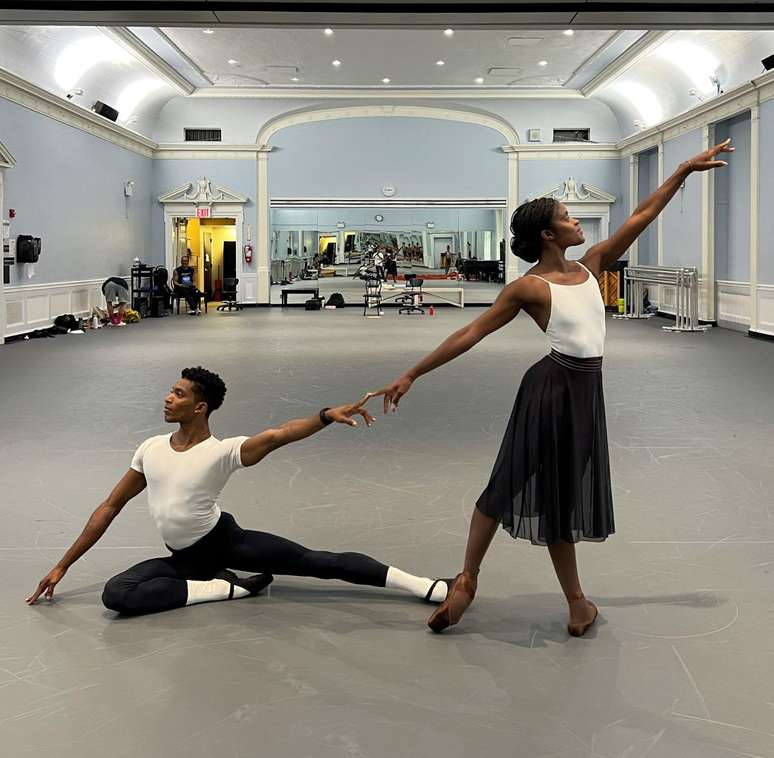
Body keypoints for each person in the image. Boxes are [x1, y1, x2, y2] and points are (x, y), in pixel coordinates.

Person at [377, 138, 734, 636]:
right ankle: (522, 592)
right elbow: (470, 332)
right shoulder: (529, 287)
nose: (576, 222)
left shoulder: (593, 265)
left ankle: (502, 587)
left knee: (543, 493)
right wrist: (412, 372)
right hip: (554, 389)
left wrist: (682, 171)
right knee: (528, 489)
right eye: (568, 217)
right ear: (549, 235)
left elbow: (643, 215)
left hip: (580, 393)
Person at [27, 367, 451, 616]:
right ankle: (230, 588)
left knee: (320, 562)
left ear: (200, 407)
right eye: (170, 390)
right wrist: (63, 565)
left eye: (178, 393)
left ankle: (428, 587)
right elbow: (110, 506)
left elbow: (279, 434)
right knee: (116, 594)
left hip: (228, 545)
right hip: (185, 560)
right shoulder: (150, 449)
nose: (167, 398)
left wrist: (324, 415)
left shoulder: (223, 451)